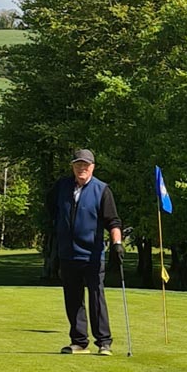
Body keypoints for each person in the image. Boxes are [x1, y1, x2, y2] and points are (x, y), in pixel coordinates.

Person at [47, 148, 124, 356]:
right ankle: (79, 342)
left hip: (92, 255)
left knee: (96, 297)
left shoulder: (102, 190)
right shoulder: (62, 187)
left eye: (86, 165)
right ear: (73, 166)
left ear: (92, 167)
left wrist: (117, 243)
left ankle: (104, 342)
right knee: (73, 298)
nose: (82, 168)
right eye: (78, 164)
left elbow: (113, 221)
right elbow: (51, 210)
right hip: (67, 253)